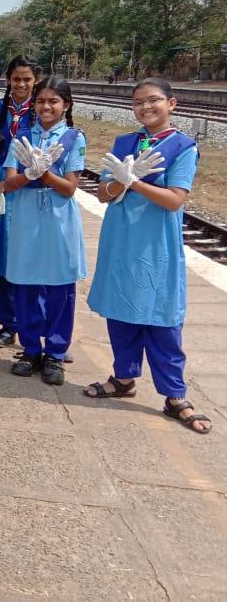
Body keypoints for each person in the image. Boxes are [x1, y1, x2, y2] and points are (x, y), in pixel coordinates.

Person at [85, 78, 212, 434]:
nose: (145, 108)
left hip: (155, 246)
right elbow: (102, 193)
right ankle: (123, 378)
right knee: (121, 311)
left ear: (171, 103)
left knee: (161, 320)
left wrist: (135, 182)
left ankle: (175, 396)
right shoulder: (125, 142)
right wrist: (119, 182)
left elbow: (175, 199)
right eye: (139, 102)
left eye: (153, 101)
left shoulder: (183, 147)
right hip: (122, 240)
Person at [0, 76, 86, 385]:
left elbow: (70, 189)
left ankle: (56, 353)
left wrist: (46, 174)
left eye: (53, 101)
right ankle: (31, 348)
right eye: (40, 101)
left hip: (58, 218)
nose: (46, 107)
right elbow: (8, 183)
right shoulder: (21, 136)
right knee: (26, 285)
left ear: (66, 105)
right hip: (25, 215)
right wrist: (28, 174)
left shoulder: (74, 138)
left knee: (60, 287)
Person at [0, 55, 39, 348]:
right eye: (16, 79)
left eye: (26, 79)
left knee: (31, 259)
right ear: (8, 80)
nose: (20, 84)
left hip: (30, 195)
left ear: (35, 82)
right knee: (0, 259)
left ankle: (37, 326)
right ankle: (8, 323)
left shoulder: (41, 111)